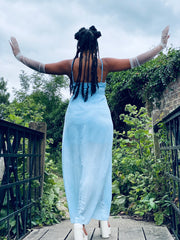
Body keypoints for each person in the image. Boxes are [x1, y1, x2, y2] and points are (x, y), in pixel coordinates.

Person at [10, 25, 169, 240]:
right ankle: (101, 222)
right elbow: (136, 61)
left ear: (79, 44)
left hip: (75, 121)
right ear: (95, 45)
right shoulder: (105, 65)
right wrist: (160, 46)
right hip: (99, 121)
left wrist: (20, 56)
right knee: (100, 167)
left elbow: (42, 67)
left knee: (77, 168)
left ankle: (80, 222)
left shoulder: (70, 65)